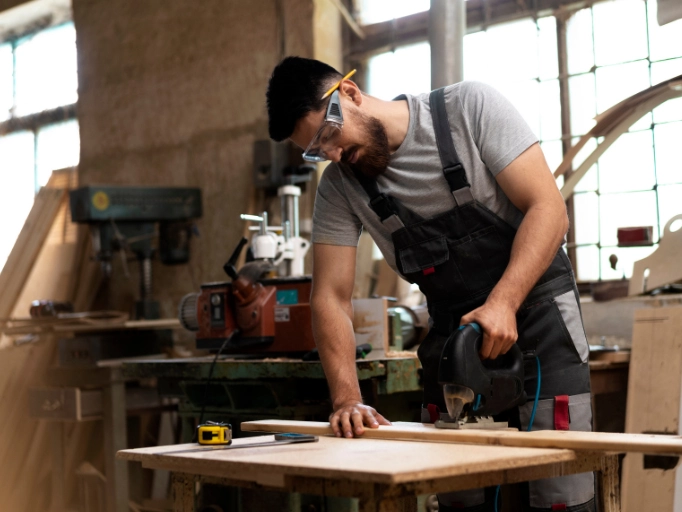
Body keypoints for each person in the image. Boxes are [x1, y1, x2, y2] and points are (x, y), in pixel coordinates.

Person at [266, 56, 595, 512]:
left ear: (350, 93)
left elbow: (549, 210)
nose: (333, 156)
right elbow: (329, 297)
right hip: (455, 337)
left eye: (328, 136)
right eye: (317, 152)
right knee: (460, 493)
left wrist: (502, 303)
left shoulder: (468, 109)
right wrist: (346, 399)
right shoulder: (340, 188)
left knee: (561, 490)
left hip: (540, 321)